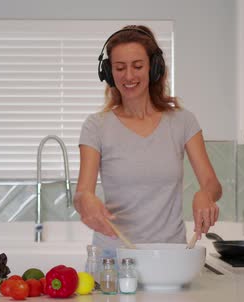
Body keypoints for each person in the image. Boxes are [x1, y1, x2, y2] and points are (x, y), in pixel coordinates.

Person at [74, 25, 222, 255]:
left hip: (168, 256)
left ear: (154, 68)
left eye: (138, 66)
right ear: (108, 72)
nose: (129, 76)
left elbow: (212, 184)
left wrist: (205, 195)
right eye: (120, 68)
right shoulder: (96, 126)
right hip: (113, 258)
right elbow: (83, 193)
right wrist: (85, 202)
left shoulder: (183, 121)